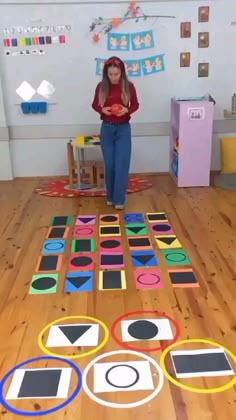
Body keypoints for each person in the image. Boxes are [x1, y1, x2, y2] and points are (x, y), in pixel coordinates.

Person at [92, 56, 139, 209]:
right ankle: (110, 197)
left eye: (116, 74)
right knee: (110, 164)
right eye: (110, 74)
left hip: (123, 129)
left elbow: (136, 104)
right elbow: (94, 104)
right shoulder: (101, 86)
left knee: (122, 165)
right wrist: (102, 109)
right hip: (107, 129)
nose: (113, 77)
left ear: (121, 73)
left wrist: (126, 109)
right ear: (106, 73)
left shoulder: (128, 86)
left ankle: (119, 200)